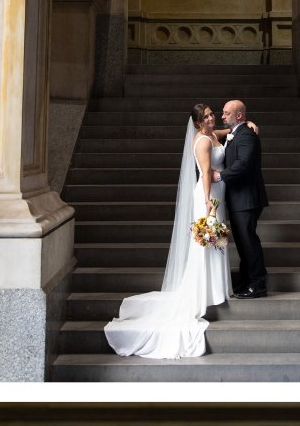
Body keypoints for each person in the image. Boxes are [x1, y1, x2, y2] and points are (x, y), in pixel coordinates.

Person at [103, 100, 252, 359]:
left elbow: (226, 133)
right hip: (209, 195)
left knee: (214, 244)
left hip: (217, 193)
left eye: (211, 114)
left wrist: (246, 124)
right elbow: (206, 173)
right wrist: (209, 203)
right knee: (207, 243)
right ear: (197, 122)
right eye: (205, 117)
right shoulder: (203, 141)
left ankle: (216, 289)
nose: (211, 119)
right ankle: (205, 292)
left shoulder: (210, 135)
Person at [219, 98, 268, 299]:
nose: (222, 116)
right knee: (242, 243)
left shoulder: (247, 135)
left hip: (247, 199)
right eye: (222, 113)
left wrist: (220, 176)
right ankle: (247, 281)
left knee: (249, 242)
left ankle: (258, 285)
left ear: (239, 115)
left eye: (226, 113)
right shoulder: (236, 132)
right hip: (238, 199)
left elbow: (244, 164)